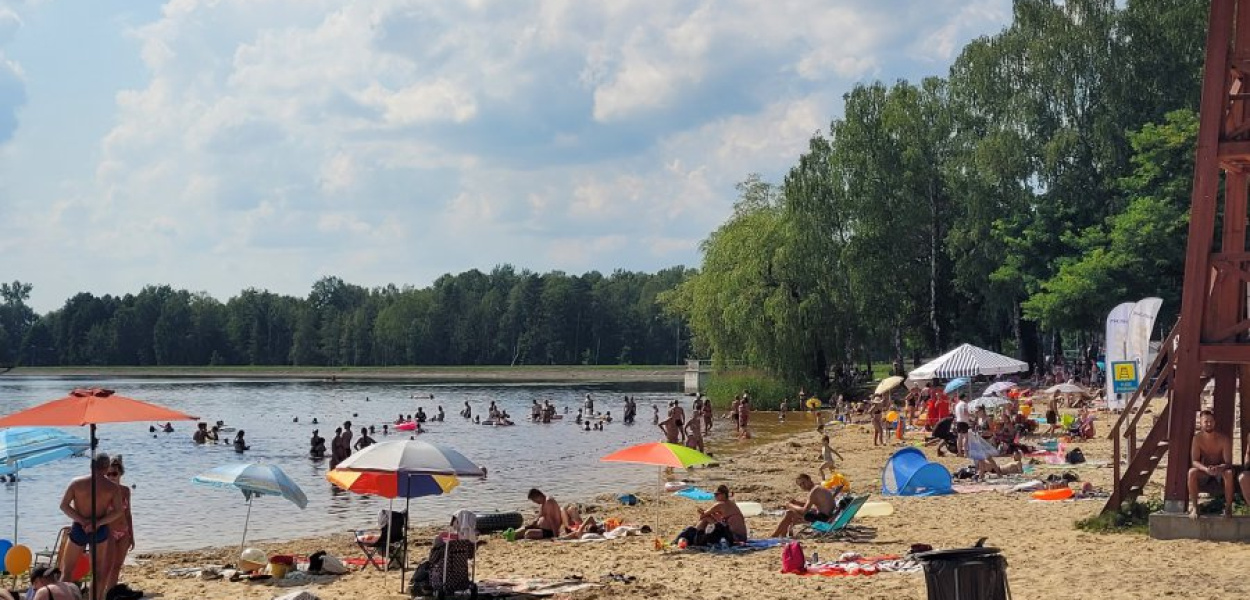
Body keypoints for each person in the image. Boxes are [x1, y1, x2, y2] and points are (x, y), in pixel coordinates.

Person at [59, 454, 122, 600]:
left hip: (79, 528)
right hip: (99, 529)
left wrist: (82, 521)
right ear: (106, 468)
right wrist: (97, 523)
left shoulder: (76, 483)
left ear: (91, 466)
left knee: (67, 570)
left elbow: (64, 506)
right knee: (97, 571)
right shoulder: (112, 487)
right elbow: (118, 511)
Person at [1189, 410, 1235, 518]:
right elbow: (1194, 461)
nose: (1208, 424)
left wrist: (1219, 467)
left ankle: (1228, 507)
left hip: (1220, 471)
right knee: (1191, 472)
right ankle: (1195, 507)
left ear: (1214, 422)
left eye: (1210, 421)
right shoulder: (1197, 439)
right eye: (1206, 422)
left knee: (1228, 473)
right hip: (1205, 470)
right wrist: (1205, 469)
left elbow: (1228, 462)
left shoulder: (1224, 439)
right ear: (1201, 423)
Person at [103, 456, 136, 599]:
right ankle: (103, 593)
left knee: (117, 566)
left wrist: (131, 535)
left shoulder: (125, 491)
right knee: (107, 566)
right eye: (108, 474)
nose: (111, 477)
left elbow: (128, 513)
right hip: (108, 533)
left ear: (120, 474)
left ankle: (111, 594)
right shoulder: (102, 492)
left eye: (114, 474)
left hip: (124, 532)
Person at [675, 485, 748, 547]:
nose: (715, 496)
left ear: (723, 495)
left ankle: (694, 535)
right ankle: (695, 535)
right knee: (709, 519)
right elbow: (723, 521)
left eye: (716, 494)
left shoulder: (720, 505)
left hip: (734, 538)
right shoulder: (731, 504)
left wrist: (704, 514)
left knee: (705, 519)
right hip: (742, 537)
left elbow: (703, 516)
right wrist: (711, 515)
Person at [769, 474, 838, 538]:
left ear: (809, 479)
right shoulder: (818, 488)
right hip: (827, 517)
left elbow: (804, 511)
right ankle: (782, 535)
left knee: (790, 513)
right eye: (800, 485)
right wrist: (797, 503)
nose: (803, 486)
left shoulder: (814, 491)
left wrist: (790, 505)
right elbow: (816, 505)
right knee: (793, 513)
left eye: (803, 482)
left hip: (823, 520)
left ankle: (774, 536)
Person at [953, 393, 971, 458]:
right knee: (965, 438)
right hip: (964, 422)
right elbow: (965, 412)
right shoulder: (964, 404)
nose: (967, 398)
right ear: (964, 397)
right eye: (966, 397)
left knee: (959, 438)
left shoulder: (957, 405)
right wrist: (971, 415)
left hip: (958, 422)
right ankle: (965, 453)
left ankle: (959, 452)